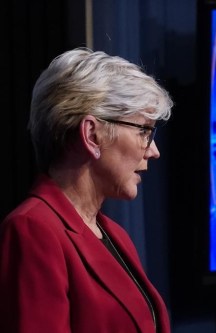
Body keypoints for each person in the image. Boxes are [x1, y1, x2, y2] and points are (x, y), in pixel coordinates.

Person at [0, 48, 174, 333]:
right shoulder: (32, 230)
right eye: (144, 131)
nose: (153, 151)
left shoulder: (116, 234)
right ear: (92, 134)